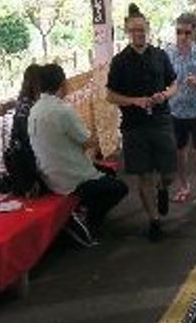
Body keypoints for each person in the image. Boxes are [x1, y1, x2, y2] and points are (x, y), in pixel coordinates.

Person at [29, 64, 128, 244]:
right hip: (70, 178)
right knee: (119, 188)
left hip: (48, 174)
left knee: (108, 174)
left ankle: (85, 211)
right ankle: (89, 220)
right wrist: (100, 136)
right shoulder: (62, 111)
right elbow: (87, 141)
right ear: (63, 84)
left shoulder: (34, 110)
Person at [107, 4, 178, 242]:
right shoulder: (119, 62)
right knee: (144, 175)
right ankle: (154, 221)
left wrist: (165, 95)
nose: (139, 33)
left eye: (142, 29)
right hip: (134, 126)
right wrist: (133, 101)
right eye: (133, 30)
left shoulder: (160, 55)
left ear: (148, 29)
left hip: (161, 120)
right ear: (127, 32)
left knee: (169, 171)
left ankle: (163, 187)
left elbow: (174, 84)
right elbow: (110, 95)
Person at [166, 12, 196, 217]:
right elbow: (163, 79)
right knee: (179, 153)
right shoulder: (168, 54)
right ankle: (184, 185)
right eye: (179, 32)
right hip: (175, 111)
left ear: (195, 33)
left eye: (187, 32)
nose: (182, 36)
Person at [3, 63, 46, 197]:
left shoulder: (22, 102)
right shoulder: (33, 106)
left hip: (20, 159)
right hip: (29, 161)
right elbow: (31, 141)